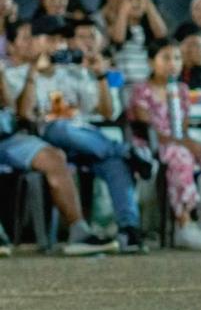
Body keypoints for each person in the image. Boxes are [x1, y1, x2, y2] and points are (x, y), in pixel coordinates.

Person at [3, 15, 145, 252]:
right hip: (45, 138)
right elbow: (24, 115)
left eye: (60, 40)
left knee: (114, 162)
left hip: (83, 142)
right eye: (50, 39)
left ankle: (129, 230)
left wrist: (99, 76)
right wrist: (34, 74)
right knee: (60, 128)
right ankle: (126, 150)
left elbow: (107, 113)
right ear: (34, 42)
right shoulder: (15, 75)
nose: (56, 45)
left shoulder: (73, 72)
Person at [130, 40, 201, 250]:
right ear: (152, 62)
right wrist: (184, 144)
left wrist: (192, 144)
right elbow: (147, 127)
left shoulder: (182, 90)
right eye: (166, 58)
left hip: (180, 141)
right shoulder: (141, 90)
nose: (173, 64)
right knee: (181, 156)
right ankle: (184, 221)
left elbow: (183, 128)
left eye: (177, 58)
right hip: (154, 145)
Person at [92, 0, 168, 83]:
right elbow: (117, 39)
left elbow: (161, 35)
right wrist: (124, 9)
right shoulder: (98, 20)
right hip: (118, 82)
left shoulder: (140, 16)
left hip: (145, 83)